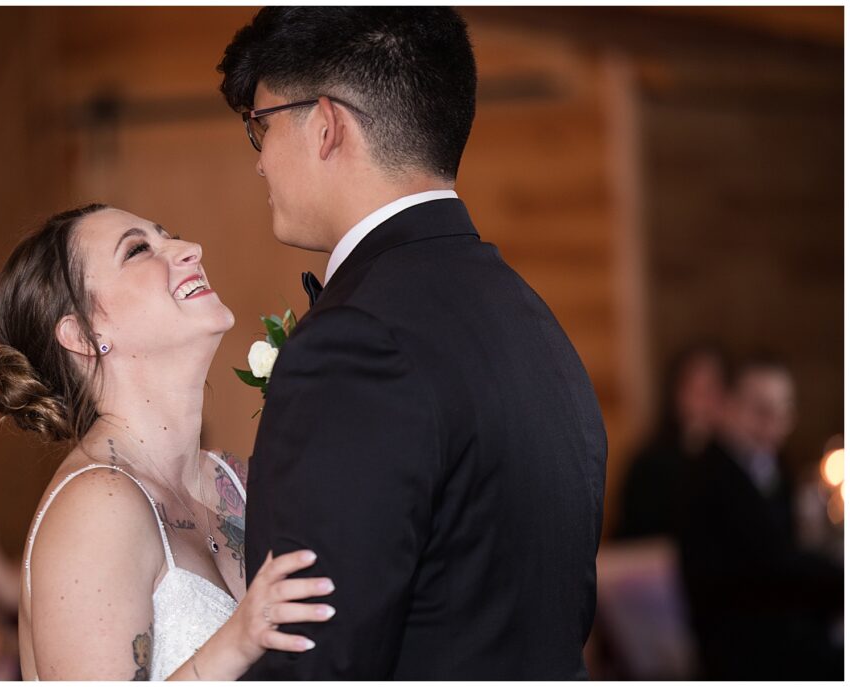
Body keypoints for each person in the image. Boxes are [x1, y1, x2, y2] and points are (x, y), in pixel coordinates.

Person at [218, 8, 608, 679]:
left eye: (260, 126)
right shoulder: (530, 316)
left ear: (325, 125)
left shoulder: (353, 344)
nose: (259, 164)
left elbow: (313, 662)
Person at [0, 204, 335, 680]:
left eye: (172, 236)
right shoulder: (96, 507)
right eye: (138, 250)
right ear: (84, 334)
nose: (191, 250)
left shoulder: (235, 479)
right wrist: (238, 642)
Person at [677, 356, 843, 679]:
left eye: (783, 412)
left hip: (782, 624)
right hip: (743, 646)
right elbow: (773, 563)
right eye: (760, 411)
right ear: (727, 406)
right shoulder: (709, 477)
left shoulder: (775, 469)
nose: (774, 424)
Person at [614, 343, 728, 540]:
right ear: (677, 395)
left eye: (715, 389)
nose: (708, 401)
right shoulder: (650, 463)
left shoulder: (736, 456)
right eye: (698, 391)